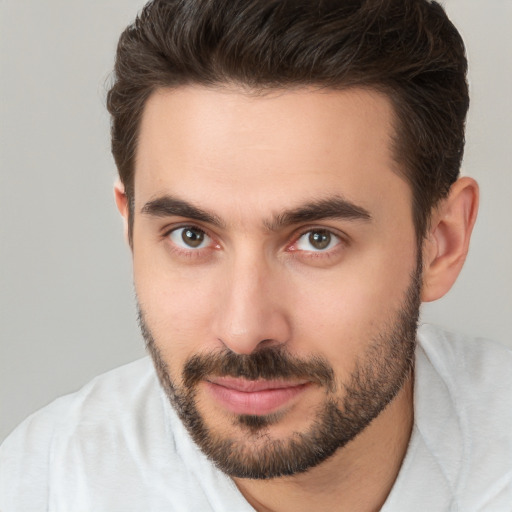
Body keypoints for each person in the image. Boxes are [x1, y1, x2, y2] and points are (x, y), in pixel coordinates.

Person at [1, 0, 511, 510]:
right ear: (130, 227)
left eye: (318, 239)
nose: (245, 331)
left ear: (441, 244)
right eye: (191, 236)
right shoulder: (47, 484)